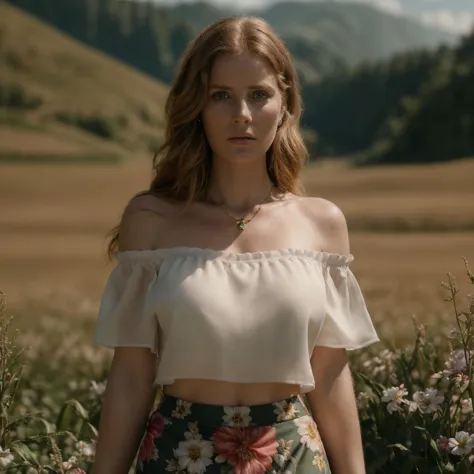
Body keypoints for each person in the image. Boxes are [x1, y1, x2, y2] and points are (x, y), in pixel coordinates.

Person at [91, 15, 380, 474]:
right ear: (197, 107)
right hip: (177, 457)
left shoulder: (322, 225)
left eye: (259, 95)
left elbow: (328, 376)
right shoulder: (150, 221)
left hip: (294, 460)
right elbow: (130, 377)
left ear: (285, 105)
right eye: (221, 95)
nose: (241, 114)